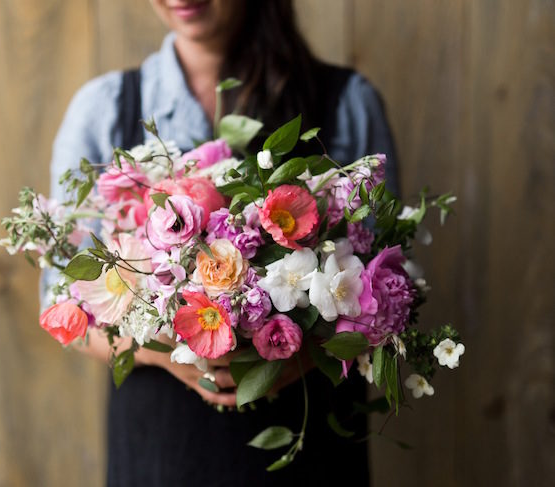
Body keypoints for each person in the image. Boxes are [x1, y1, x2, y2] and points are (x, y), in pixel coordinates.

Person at [46, 1, 398, 485]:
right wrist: (167, 351)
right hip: (164, 446)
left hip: (308, 441)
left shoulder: (344, 102)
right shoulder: (107, 107)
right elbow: (59, 299)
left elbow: (391, 291)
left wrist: (302, 349)